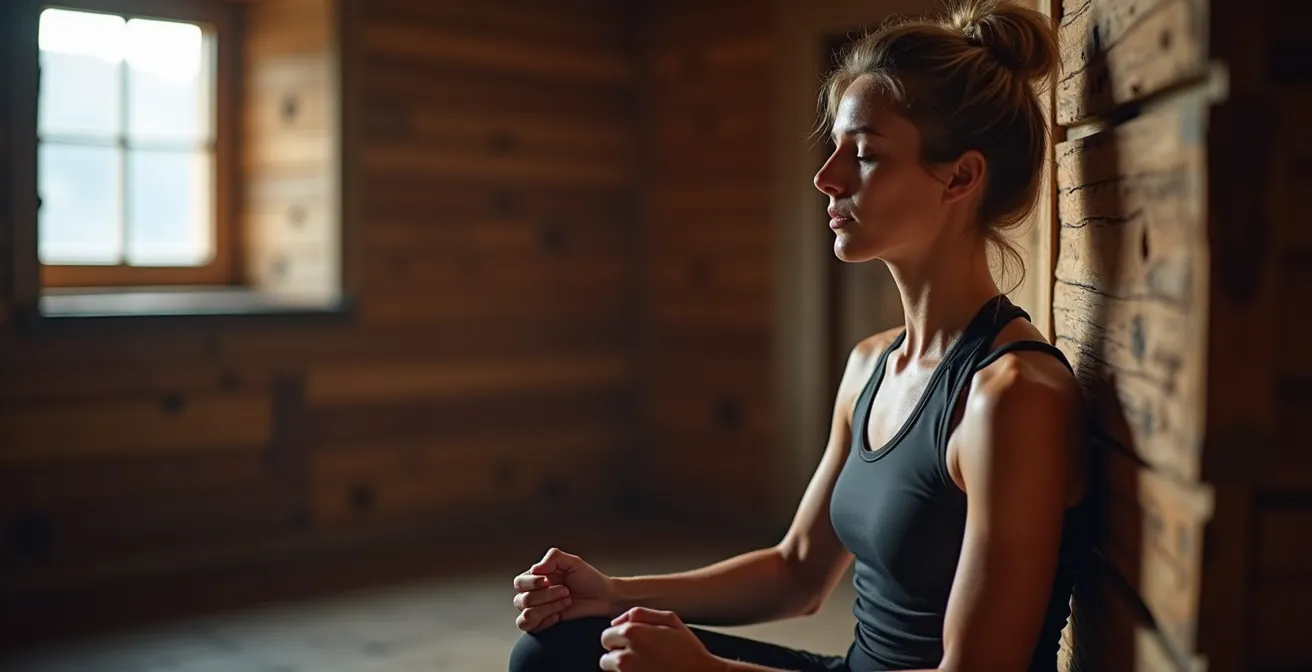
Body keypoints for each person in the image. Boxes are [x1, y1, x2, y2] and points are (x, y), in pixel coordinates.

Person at [508, 1, 1090, 670]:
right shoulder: (871, 365)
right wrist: (611, 593)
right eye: (836, 148)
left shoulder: (1012, 398)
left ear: (959, 176)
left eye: (864, 154)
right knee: (557, 648)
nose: (826, 176)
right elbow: (797, 571)